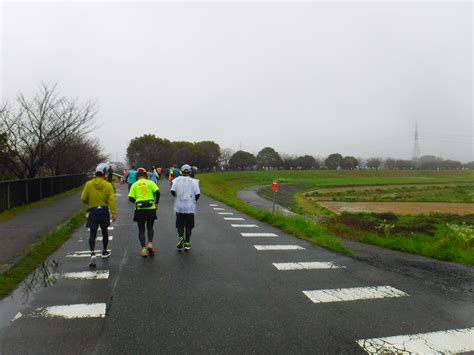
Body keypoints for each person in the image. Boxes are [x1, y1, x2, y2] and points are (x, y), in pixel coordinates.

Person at [81, 163, 117, 267]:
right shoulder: (108, 185)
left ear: (96, 173)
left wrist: (90, 203)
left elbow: (83, 198)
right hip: (104, 211)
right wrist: (113, 212)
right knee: (105, 232)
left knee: (93, 234)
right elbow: (111, 199)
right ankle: (104, 251)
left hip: (93, 211)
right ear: (105, 173)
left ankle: (92, 253)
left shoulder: (88, 184)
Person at [128, 168, 160, 257]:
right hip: (151, 208)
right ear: (146, 175)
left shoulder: (134, 185)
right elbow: (158, 192)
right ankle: (150, 243)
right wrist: (156, 203)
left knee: (141, 229)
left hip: (140, 209)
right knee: (150, 227)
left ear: (137, 176)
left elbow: (130, 198)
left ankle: (143, 249)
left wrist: (137, 201)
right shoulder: (151, 183)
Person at [171, 164, 200, 251]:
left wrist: (177, 198)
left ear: (181, 171)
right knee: (188, 226)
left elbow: (172, 191)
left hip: (179, 206)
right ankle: (187, 243)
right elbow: (197, 194)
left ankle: (181, 238)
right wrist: (194, 201)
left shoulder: (176, 180)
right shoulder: (194, 181)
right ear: (190, 171)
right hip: (190, 207)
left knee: (180, 224)